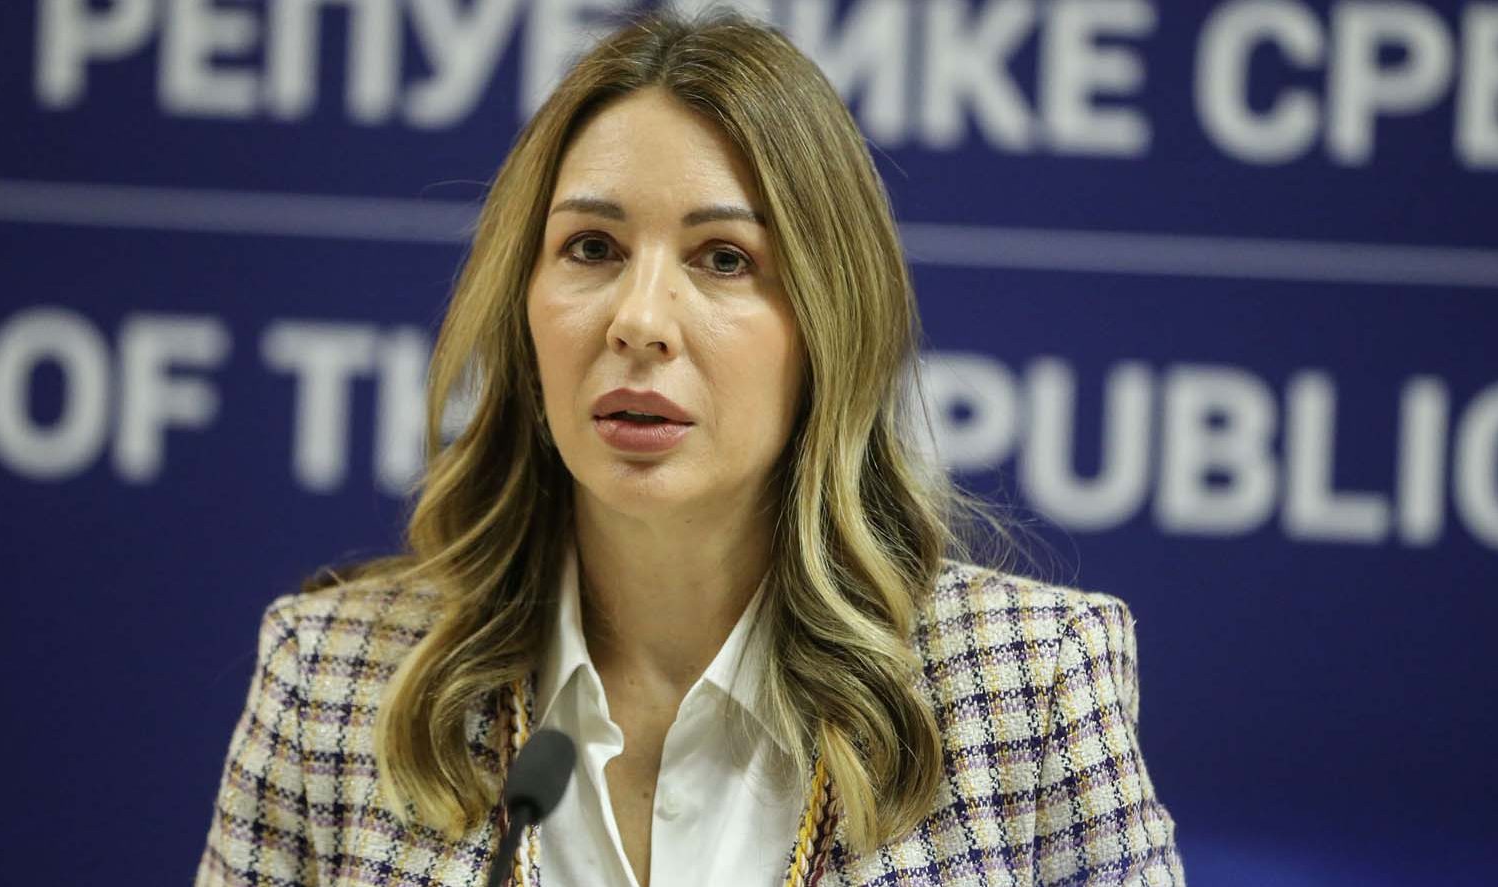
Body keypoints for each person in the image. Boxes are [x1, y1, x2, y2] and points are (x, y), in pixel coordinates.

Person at [196, 10, 1184, 887]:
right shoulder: (331, 681)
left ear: (828, 328)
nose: (639, 319)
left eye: (724, 259)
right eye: (592, 248)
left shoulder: (1026, 691)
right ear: (522, 309)